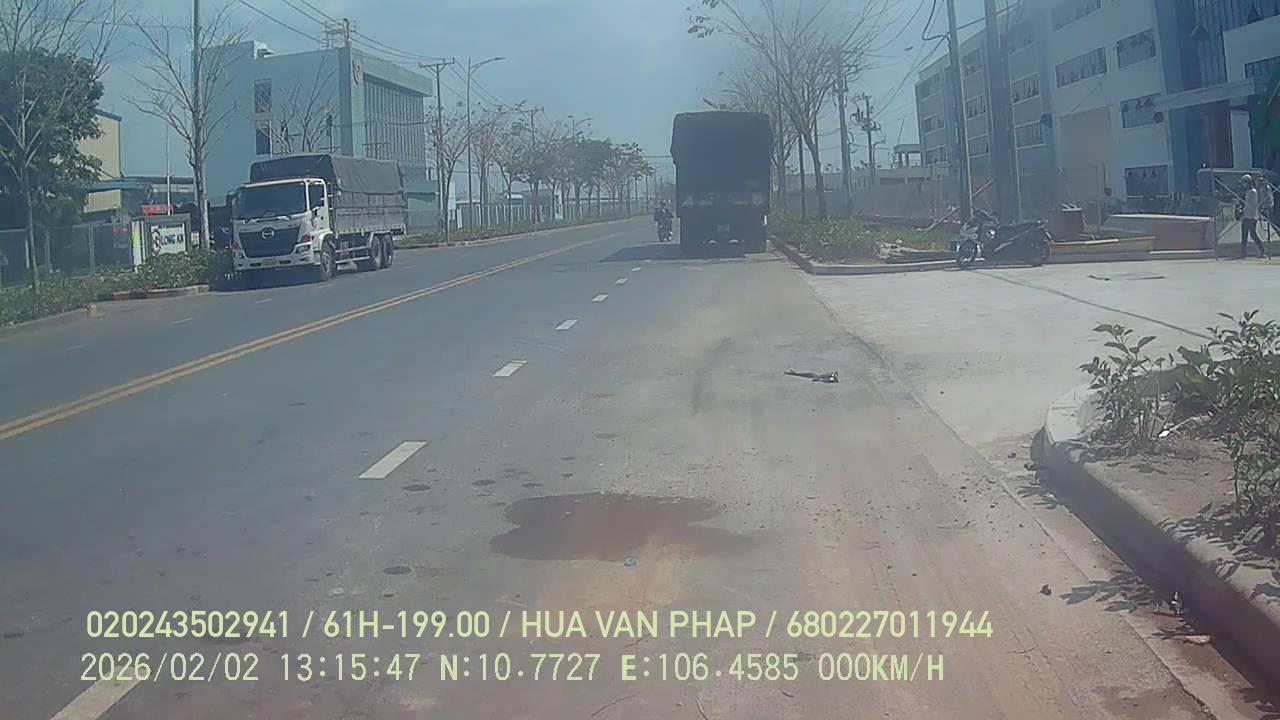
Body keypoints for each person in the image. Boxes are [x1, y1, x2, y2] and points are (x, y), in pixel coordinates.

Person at [1240, 175, 1268, 259]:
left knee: (1252, 234)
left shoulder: (1253, 192)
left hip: (1251, 216)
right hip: (1247, 216)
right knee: (1245, 235)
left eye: (1244, 182)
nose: (1244, 185)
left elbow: (1251, 205)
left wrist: (1244, 213)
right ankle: (1243, 252)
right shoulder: (1248, 192)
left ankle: (1261, 250)